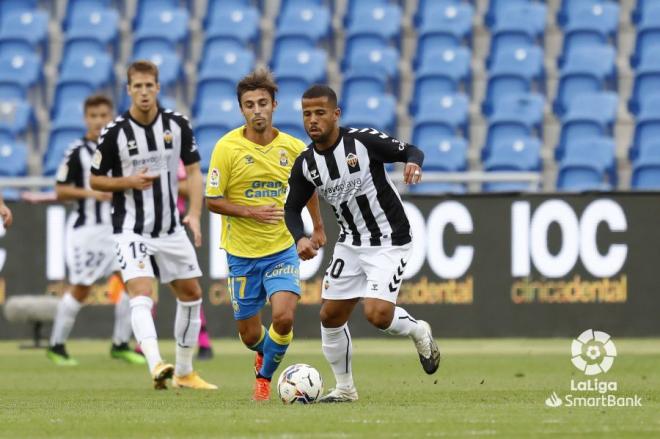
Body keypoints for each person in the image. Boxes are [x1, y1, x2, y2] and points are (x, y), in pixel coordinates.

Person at [284, 84, 440, 403]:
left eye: (320, 113)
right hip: (351, 243)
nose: (313, 120)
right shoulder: (306, 164)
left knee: (378, 315)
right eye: (307, 114)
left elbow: (410, 150)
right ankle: (345, 389)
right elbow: (291, 207)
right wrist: (300, 236)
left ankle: (419, 330)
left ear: (336, 114)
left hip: (389, 239)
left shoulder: (362, 142)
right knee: (329, 316)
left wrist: (413, 164)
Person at [90, 60, 216, 390]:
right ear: (128, 89)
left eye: (150, 85)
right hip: (132, 228)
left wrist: (194, 214)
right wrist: (128, 180)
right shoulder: (114, 132)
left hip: (171, 227)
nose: (144, 92)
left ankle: (186, 373)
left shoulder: (177, 124)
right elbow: (95, 180)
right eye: (138, 86)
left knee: (192, 294)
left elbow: (194, 173)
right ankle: (156, 364)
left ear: (158, 87)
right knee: (142, 293)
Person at [205, 68, 325, 401]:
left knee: (284, 318)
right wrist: (249, 211)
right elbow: (212, 200)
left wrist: (316, 227)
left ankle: (264, 378)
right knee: (248, 335)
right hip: (241, 254)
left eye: (262, 103)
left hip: (280, 249)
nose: (257, 110)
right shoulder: (226, 148)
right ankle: (264, 353)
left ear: (274, 104)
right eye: (249, 105)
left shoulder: (293, 147)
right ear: (241, 109)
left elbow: (309, 189)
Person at [46, 95, 145, 366]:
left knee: (131, 281)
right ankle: (56, 345)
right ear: (86, 119)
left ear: (111, 116)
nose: (99, 121)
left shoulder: (121, 150)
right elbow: (60, 189)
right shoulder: (77, 151)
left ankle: (120, 343)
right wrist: (90, 192)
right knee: (81, 288)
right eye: (94, 116)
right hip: (86, 232)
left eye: (104, 115)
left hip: (117, 229)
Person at [177, 160, 214, 360]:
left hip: (173, 229)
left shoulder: (175, 156)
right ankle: (141, 345)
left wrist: (162, 182)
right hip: (140, 229)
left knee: (189, 287)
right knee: (145, 288)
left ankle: (204, 343)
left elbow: (190, 186)